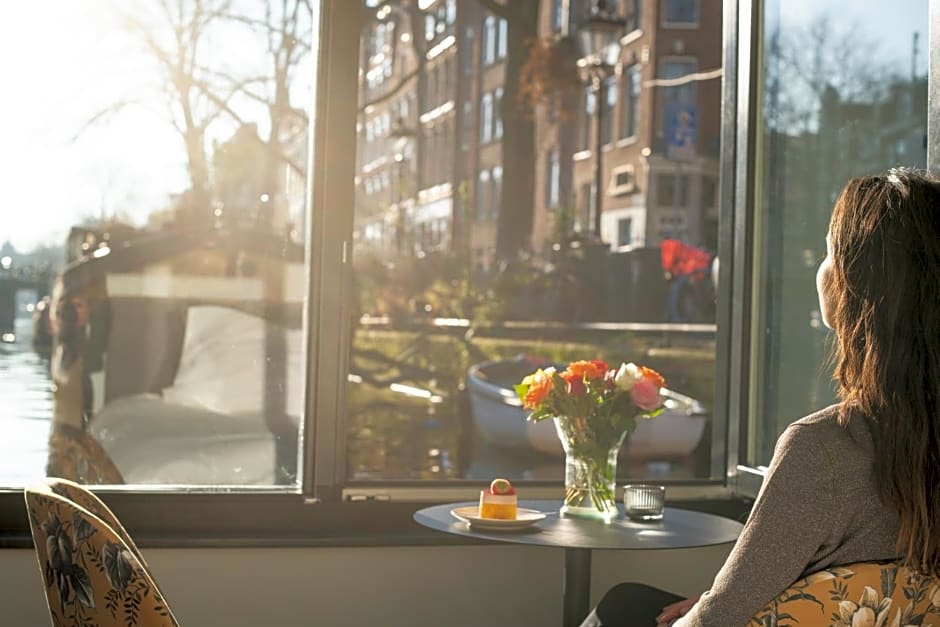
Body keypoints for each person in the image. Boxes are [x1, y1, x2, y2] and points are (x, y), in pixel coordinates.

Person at [580, 168, 940, 626]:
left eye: (828, 252)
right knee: (630, 601)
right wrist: (720, 601)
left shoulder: (823, 449)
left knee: (618, 609)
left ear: (854, 284)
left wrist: (707, 609)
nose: (821, 269)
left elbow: (719, 618)